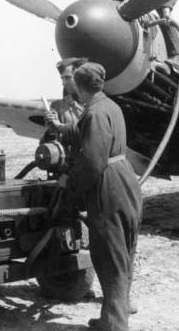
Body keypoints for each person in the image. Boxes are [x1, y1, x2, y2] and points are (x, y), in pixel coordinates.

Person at [45, 62, 142, 331]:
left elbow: (91, 162)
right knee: (123, 252)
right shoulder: (109, 107)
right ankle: (118, 311)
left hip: (108, 185)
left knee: (109, 256)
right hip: (125, 179)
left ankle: (113, 324)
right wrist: (61, 128)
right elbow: (86, 132)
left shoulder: (96, 112)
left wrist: (70, 186)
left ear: (80, 85)